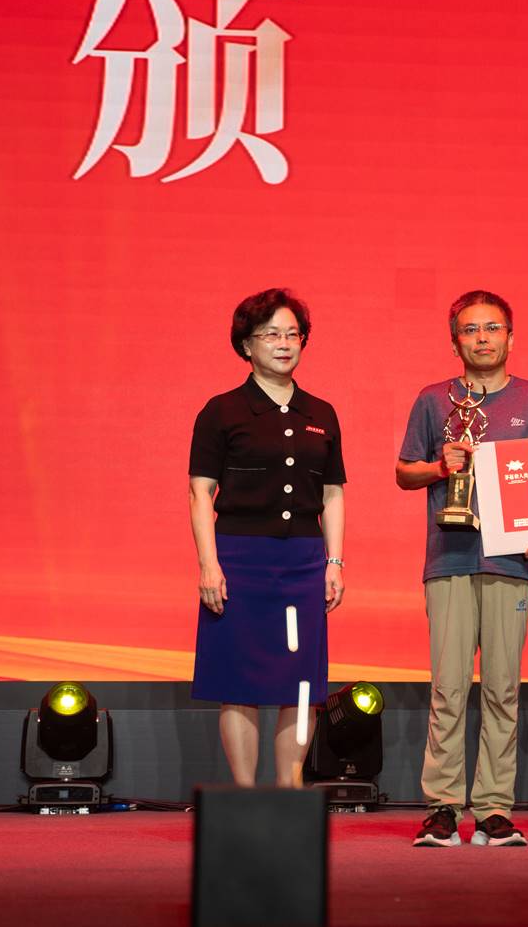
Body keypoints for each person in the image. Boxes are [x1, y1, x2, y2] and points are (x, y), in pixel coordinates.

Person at [397, 290, 528, 848]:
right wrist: (439, 466)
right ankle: (442, 806)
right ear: (454, 342)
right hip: (449, 558)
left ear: (511, 336)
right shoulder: (433, 399)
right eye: (470, 330)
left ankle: (493, 808)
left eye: (492, 328)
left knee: (502, 688)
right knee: (448, 687)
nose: (482, 338)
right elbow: (404, 471)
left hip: (511, 560)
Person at [188, 288, 347, 787]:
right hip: (240, 561)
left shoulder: (321, 413)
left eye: (292, 334)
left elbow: (333, 494)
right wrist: (209, 565)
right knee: (238, 685)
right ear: (246, 345)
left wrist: (334, 562)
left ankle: (289, 792)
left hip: (303, 563)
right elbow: (200, 492)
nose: (283, 343)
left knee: (301, 686)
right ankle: (244, 795)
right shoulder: (221, 411)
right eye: (271, 334)